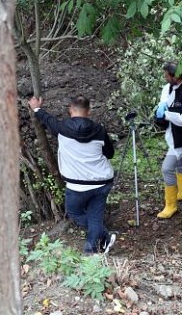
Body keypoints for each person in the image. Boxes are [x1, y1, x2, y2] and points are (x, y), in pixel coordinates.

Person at [28, 95, 116, 254]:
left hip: (77, 185)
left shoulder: (61, 128)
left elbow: (47, 119)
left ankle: (100, 241)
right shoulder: (100, 131)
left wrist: (36, 108)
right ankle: (94, 247)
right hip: (102, 182)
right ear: (89, 112)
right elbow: (109, 154)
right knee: (95, 217)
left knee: (74, 213)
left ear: (70, 109)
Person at [154, 62, 182, 219]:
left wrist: (166, 114)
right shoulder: (170, 86)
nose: (165, 78)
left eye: (167, 75)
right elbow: (165, 97)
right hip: (173, 133)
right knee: (180, 161)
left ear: (176, 76)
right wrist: (161, 105)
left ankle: (170, 205)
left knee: (167, 168)